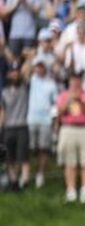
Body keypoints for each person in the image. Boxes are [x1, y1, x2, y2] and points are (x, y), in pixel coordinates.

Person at [56, 72, 85, 203]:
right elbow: (60, 112)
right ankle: (71, 190)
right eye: (73, 81)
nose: (75, 84)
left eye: (78, 81)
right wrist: (70, 99)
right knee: (70, 163)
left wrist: (80, 100)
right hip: (69, 128)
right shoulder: (63, 95)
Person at [25, 59, 58, 189]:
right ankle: (29, 173)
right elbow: (24, 72)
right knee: (31, 149)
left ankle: (40, 174)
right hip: (31, 119)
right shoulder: (31, 80)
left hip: (46, 120)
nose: (39, 69)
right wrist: (31, 58)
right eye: (37, 67)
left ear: (45, 68)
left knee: (43, 149)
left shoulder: (51, 84)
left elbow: (55, 104)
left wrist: (54, 121)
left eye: (41, 67)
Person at [0, 63, 30, 191]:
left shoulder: (24, 88)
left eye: (16, 72)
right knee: (9, 158)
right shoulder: (4, 92)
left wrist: (28, 58)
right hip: (8, 128)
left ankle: (25, 181)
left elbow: (27, 71)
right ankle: (14, 182)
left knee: (23, 157)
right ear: (8, 75)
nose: (15, 74)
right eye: (12, 72)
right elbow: (2, 111)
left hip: (22, 126)